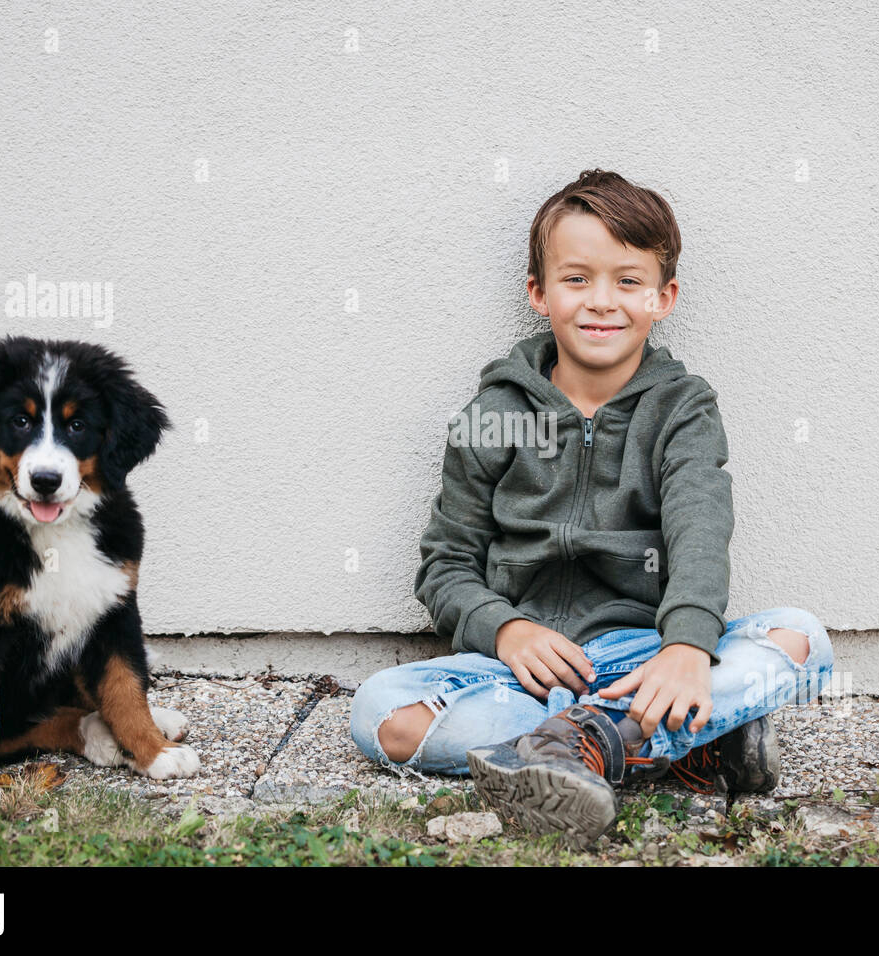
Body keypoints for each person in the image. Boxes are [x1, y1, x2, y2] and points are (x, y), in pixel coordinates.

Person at [350, 168, 834, 846]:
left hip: (641, 660)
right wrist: (504, 629)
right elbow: (445, 564)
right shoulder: (494, 414)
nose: (601, 302)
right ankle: (678, 742)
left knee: (802, 639)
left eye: (627, 281)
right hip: (519, 676)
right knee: (381, 713)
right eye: (576, 279)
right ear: (538, 293)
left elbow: (701, 529)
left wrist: (688, 646)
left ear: (663, 298)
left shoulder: (682, 409)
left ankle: (590, 741)